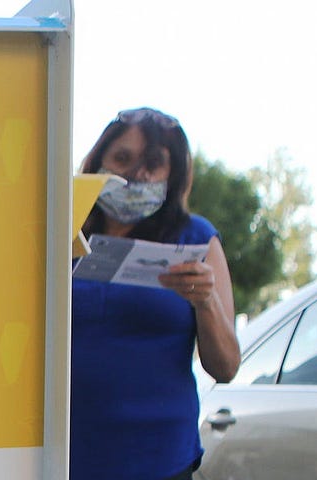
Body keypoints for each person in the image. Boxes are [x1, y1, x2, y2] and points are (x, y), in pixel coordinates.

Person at [71, 107, 241, 480]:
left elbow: (225, 367)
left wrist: (205, 300)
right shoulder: (59, 231)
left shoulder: (196, 239)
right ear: (97, 161)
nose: (135, 175)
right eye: (122, 158)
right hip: (61, 454)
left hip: (160, 458)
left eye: (153, 163)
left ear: (173, 174)